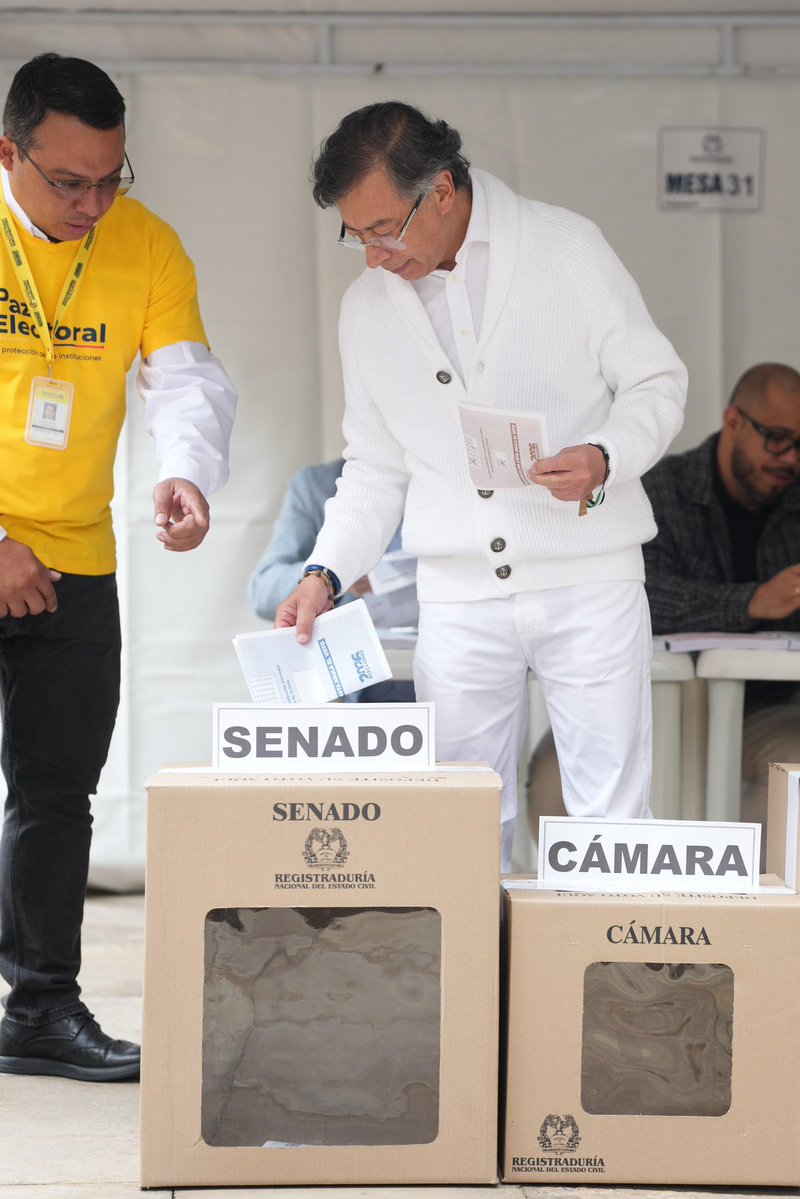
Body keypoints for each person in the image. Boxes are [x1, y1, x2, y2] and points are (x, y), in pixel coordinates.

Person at [274, 101, 687, 871]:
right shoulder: (364, 309)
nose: (373, 256)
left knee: (611, 819)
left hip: (589, 579)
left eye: (383, 229)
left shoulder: (566, 246)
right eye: (355, 235)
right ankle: (476, 958)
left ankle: (598, 955)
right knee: (461, 832)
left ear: (440, 190)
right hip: (457, 597)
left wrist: (605, 457)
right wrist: (322, 572)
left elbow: (657, 383)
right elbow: (374, 467)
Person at [0, 53, 236, 1081]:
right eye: (68, 182)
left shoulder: (146, 244)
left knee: (57, 795)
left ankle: (40, 1010)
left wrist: (184, 472)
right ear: (7, 153)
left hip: (75, 560)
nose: (93, 204)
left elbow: (185, 380)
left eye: (111, 178)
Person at [642, 362, 800, 829]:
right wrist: (750, 603)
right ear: (733, 422)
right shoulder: (662, 488)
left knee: (794, 770)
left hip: (771, 709)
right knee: (552, 777)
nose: (791, 459)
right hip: (655, 707)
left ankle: (749, 878)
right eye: (778, 439)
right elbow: (641, 595)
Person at [249, 457, 416, 701]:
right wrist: (331, 576)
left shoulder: (445, 483)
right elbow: (263, 590)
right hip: (367, 681)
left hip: (448, 655)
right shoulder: (316, 485)